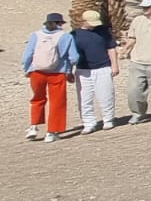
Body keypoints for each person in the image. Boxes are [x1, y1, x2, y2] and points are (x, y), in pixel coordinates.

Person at [23, 12, 79, 142]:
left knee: (37, 99)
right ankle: (51, 132)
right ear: (60, 23)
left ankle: (33, 127)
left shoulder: (36, 35)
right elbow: (74, 57)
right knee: (57, 102)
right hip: (57, 73)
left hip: (37, 72)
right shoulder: (66, 36)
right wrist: (69, 70)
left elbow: (27, 55)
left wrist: (27, 69)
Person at [72, 9, 119, 134]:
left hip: (103, 68)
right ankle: (88, 123)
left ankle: (108, 119)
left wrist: (114, 65)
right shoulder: (74, 35)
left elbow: (111, 48)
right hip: (83, 70)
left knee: (106, 96)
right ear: (84, 21)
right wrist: (69, 71)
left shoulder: (104, 31)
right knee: (84, 99)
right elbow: (70, 54)